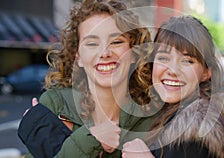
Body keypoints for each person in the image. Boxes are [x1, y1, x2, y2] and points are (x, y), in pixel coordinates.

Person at [18, 0, 154, 157]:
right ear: (78, 57)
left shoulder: (151, 118)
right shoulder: (56, 105)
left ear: (133, 52)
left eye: (116, 42)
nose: (105, 53)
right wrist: (91, 139)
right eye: (92, 43)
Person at [122, 15, 224, 158]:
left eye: (187, 61)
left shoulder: (193, 138)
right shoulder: (165, 116)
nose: (172, 70)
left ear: (206, 72)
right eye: (163, 58)